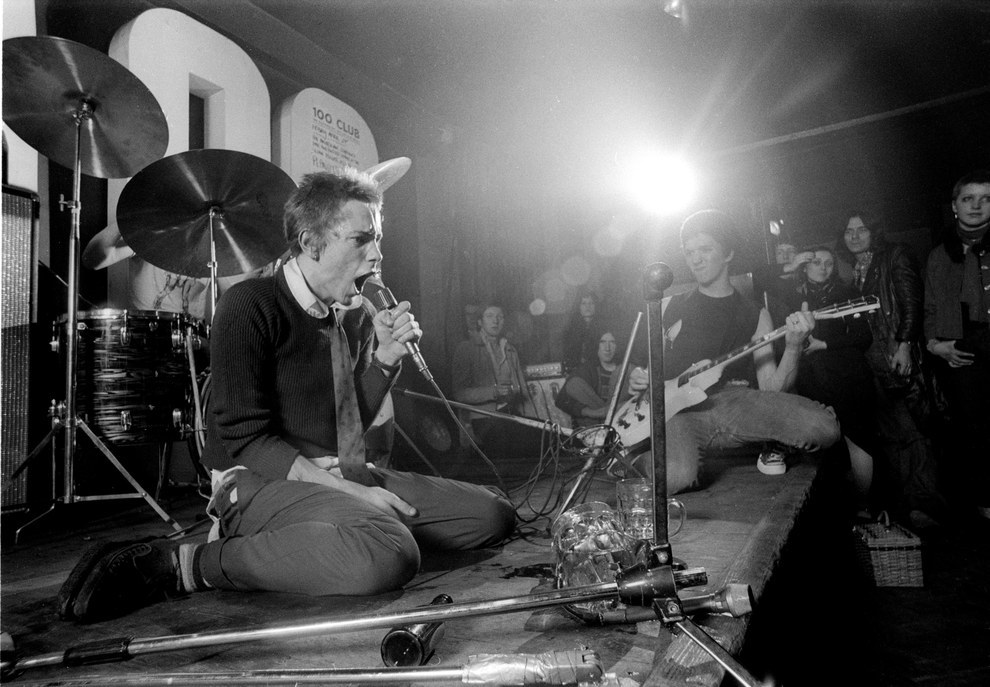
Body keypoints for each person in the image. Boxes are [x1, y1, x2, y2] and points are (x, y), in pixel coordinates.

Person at [58, 164, 516, 623]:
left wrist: (386, 360)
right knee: (388, 551)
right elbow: (246, 440)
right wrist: (346, 493)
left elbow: (345, 426)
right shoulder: (250, 305)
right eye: (361, 240)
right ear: (311, 242)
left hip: (333, 470)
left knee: (490, 514)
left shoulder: (351, 317)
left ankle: (334, 541)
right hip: (258, 479)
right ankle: (184, 564)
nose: (377, 256)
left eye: (378, 239)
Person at [624, 210, 840, 495]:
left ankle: (772, 445)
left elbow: (772, 388)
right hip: (680, 411)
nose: (695, 259)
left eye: (705, 249)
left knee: (825, 427)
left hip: (735, 404)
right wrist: (637, 376)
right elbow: (638, 368)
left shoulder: (756, 314)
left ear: (728, 253)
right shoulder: (667, 305)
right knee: (677, 476)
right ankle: (634, 461)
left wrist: (793, 346)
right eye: (689, 252)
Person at [836, 210, 945, 528]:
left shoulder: (896, 255)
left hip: (896, 352)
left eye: (862, 229)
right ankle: (905, 508)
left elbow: (913, 301)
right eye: (848, 231)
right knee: (891, 434)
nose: (854, 236)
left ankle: (927, 506)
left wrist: (905, 343)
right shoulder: (851, 269)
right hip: (872, 360)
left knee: (915, 431)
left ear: (875, 231)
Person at [785, 246, 878, 517]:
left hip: (848, 377)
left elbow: (864, 337)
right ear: (805, 266)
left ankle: (864, 507)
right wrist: (791, 267)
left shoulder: (847, 293)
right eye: (815, 262)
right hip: (812, 380)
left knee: (857, 439)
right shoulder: (795, 296)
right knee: (822, 446)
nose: (823, 268)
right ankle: (830, 513)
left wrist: (825, 343)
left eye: (828, 263)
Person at [923, 170, 990, 520]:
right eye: (968, 198)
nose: (976, 206)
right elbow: (930, 309)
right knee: (973, 430)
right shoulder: (939, 255)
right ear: (955, 205)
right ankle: (984, 504)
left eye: (985, 198)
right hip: (961, 349)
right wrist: (937, 346)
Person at [555, 329, 622, 426]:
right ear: (595, 345)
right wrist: (591, 412)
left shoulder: (625, 369)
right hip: (594, 426)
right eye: (602, 342)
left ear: (618, 346)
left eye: (612, 342)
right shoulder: (586, 370)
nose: (607, 348)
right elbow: (561, 400)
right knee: (574, 383)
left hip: (622, 422)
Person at [562, 291, 602, 371]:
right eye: (584, 303)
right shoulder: (571, 330)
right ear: (579, 307)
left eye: (591, 303)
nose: (588, 306)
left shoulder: (602, 328)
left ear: (596, 306)